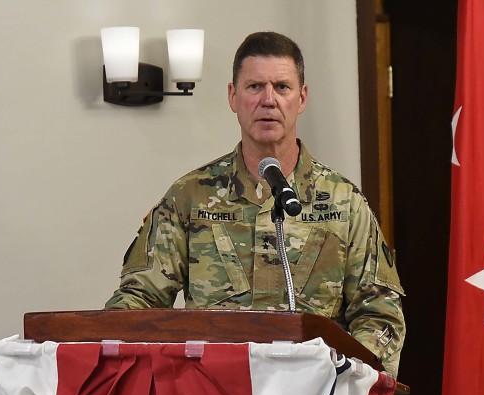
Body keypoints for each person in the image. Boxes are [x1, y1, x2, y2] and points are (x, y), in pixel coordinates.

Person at [105, 31, 406, 377]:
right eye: (254, 87)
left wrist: (346, 379)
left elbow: (379, 312)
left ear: (302, 98)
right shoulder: (190, 196)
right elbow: (138, 301)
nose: (268, 100)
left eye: (282, 87)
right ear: (233, 97)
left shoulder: (345, 203)